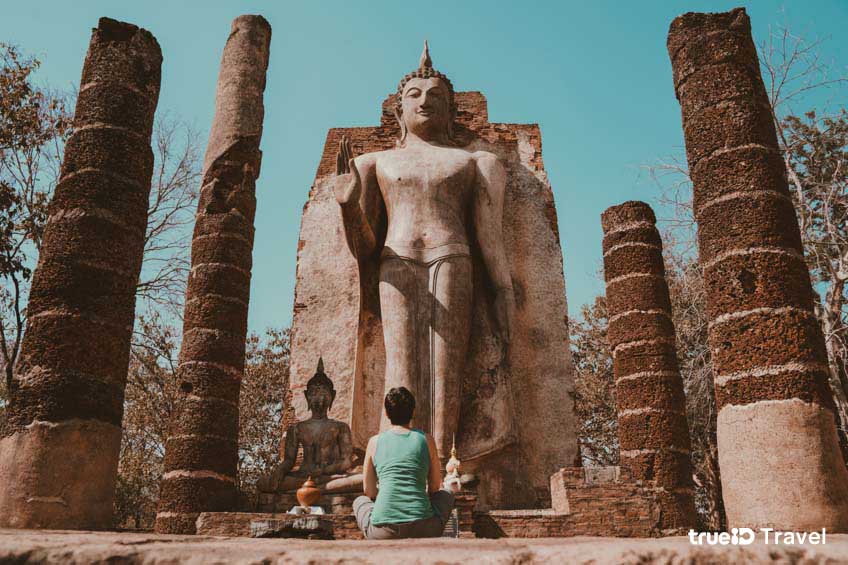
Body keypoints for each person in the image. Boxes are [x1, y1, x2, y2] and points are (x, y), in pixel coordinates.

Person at [353, 387, 456, 539]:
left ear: (387, 413)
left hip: (383, 532)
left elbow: (369, 491)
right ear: (413, 412)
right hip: (424, 528)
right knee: (446, 495)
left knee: (360, 501)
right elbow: (434, 487)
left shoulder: (374, 442)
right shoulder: (427, 440)